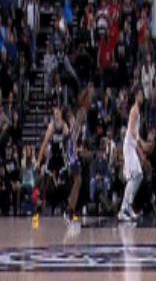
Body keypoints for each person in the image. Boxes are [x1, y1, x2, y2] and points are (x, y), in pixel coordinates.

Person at [118, 88, 154, 221]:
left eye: (142, 95)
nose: (142, 97)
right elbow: (133, 131)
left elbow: (134, 135)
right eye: (140, 95)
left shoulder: (138, 110)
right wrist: (142, 143)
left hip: (132, 147)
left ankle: (128, 206)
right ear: (136, 96)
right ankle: (123, 210)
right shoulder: (134, 110)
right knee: (134, 176)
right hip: (128, 147)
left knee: (139, 176)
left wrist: (141, 153)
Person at [64, 86, 94, 225]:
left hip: (74, 148)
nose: (91, 100)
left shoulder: (84, 113)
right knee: (78, 180)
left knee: (78, 181)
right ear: (85, 99)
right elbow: (74, 132)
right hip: (72, 149)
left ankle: (69, 210)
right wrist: (76, 149)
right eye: (90, 98)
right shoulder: (81, 112)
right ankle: (68, 211)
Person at [36, 106, 69, 224]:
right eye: (55, 113)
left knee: (64, 180)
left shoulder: (64, 126)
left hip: (61, 156)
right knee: (46, 179)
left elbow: (69, 142)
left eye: (58, 113)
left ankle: (65, 205)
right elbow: (44, 144)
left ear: (61, 114)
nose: (56, 115)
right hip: (53, 156)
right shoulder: (51, 126)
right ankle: (43, 205)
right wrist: (39, 161)